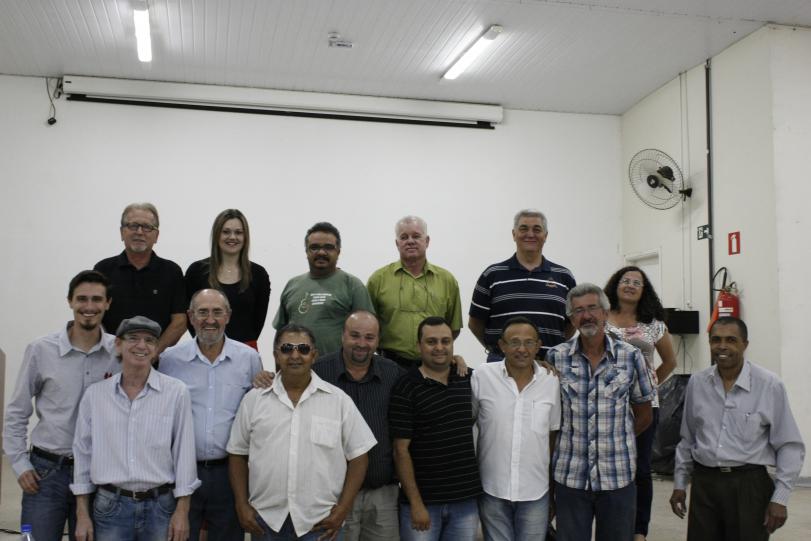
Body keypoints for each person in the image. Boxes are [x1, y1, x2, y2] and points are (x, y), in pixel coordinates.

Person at [227, 323, 377, 540]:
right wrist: (241, 504)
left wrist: (343, 509)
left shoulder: (338, 401)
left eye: (303, 349)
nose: (295, 355)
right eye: (287, 348)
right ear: (276, 355)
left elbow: (359, 457)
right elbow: (237, 453)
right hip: (266, 521)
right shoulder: (254, 400)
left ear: (314, 355)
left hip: (319, 522)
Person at [3, 270, 119, 541]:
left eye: (96, 299)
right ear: (69, 301)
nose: (89, 306)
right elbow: (17, 411)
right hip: (45, 473)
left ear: (108, 303)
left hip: (97, 474)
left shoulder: (118, 352)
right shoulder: (41, 350)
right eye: (81, 299)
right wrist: (19, 463)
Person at [670, 317, 805, 541]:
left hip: (749, 487)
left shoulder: (769, 385)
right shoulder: (697, 383)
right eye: (716, 340)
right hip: (705, 484)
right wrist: (680, 484)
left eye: (731, 340)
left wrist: (780, 498)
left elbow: (789, 445)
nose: (722, 346)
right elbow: (688, 439)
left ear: (745, 344)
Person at [71, 316, 200, 541]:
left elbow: (184, 455)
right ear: (118, 345)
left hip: (161, 507)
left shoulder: (176, 392)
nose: (142, 345)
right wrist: (82, 514)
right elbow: (83, 454)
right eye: (133, 338)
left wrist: (182, 512)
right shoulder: (95, 395)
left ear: (156, 349)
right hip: (110, 507)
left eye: (149, 340)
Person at [547, 283, 654, 541]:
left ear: (605, 313)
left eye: (592, 308)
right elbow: (550, 420)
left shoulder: (631, 357)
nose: (586, 315)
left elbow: (645, 415)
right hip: (571, 477)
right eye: (578, 311)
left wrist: (616, 439)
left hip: (617, 477)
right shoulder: (556, 358)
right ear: (572, 319)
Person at [159, 289, 264, 541]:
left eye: (217, 312)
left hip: (230, 474)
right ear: (190, 317)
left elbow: (257, 412)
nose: (210, 319)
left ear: (228, 316)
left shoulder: (249, 359)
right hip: (181, 472)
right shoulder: (170, 360)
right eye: (202, 312)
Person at [313, 311, 406, 540]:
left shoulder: (393, 373)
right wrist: (264, 376)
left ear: (378, 340)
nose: (362, 343)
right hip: (333, 498)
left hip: (383, 496)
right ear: (342, 335)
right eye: (355, 335)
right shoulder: (318, 372)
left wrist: (455, 362)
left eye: (369, 337)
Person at [389, 317, 481, 541]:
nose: (439, 347)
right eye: (431, 342)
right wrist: (416, 503)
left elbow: (508, 373)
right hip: (423, 504)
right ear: (419, 345)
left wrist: (542, 365)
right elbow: (400, 451)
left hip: (465, 502)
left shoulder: (469, 378)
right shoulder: (405, 386)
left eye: (445, 341)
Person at [604, 265, 678, 541]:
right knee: (609, 466)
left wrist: (649, 386)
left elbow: (670, 362)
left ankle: (639, 530)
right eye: (626, 280)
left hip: (644, 408)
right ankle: (611, 523)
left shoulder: (654, 324)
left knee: (641, 469)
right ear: (616, 285)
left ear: (644, 290)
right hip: (606, 405)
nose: (630, 285)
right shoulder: (601, 318)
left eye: (637, 282)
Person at [472, 316, 560, 541]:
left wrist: (552, 490)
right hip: (492, 488)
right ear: (502, 345)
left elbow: (552, 437)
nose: (522, 349)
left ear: (538, 346)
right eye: (514, 342)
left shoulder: (551, 381)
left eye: (529, 342)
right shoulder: (482, 376)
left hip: (535, 491)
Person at [469, 209, 576, 362]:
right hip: (501, 366)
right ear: (514, 234)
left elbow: (572, 322)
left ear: (545, 236)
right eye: (524, 229)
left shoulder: (564, 277)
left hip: (550, 366)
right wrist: (497, 350)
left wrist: (552, 349)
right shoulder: (492, 275)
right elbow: (475, 323)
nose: (530, 234)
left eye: (537, 229)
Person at [366, 215, 463, 368]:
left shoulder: (447, 281)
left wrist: (436, 349)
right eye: (404, 237)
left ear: (427, 241)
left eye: (416, 236)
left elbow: (454, 327)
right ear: (397, 243)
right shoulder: (378, 280)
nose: (410, 241)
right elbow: (368, 326)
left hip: (434, 365)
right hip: (389, 365)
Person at [94, 202, 186, 353]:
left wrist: (153, 352)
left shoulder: (172, 271)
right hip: (111, 358)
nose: (139, 232)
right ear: (122, 232)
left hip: (157, 359)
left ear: (156, 236)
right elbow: (95, 314)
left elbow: (180, 321)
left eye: (147, 227)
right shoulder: (103, 269)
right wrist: (115, 352)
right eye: (133, 226)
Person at [273, 222, 375, 356]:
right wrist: (279, 366)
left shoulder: (353, 286)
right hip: (298, 366)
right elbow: (281, 335)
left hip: (339, 368)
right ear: (306, 251)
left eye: (328, 247)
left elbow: (367, 334)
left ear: (338, 251)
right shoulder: (292, 285)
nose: (321, 252)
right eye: (314, 247)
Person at [185, 209, 271, 350]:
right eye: (226, 232)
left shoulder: (258, 274)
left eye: (238, 232)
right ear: (217, 235)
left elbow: (257, 322)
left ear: (245, 237)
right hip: (205, 349)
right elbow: (189, 318)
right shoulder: (196, 271)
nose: (232, 237)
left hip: (245, 350)